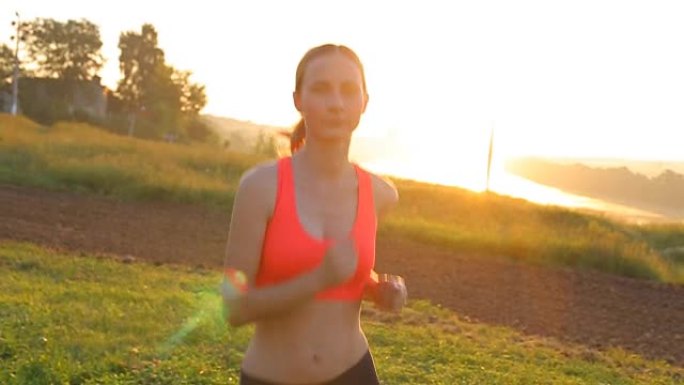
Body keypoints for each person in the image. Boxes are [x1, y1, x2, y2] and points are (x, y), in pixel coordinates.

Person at [221, 43, 408, 385]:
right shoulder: (260, 188)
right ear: (298, 100)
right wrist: (317, 279)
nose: (336, 103)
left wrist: (379, 288)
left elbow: (345, 270)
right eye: (321, 89)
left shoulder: (380, 194)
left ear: (364, 102)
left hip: (353, 373)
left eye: (348, 91)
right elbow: (234, 308)